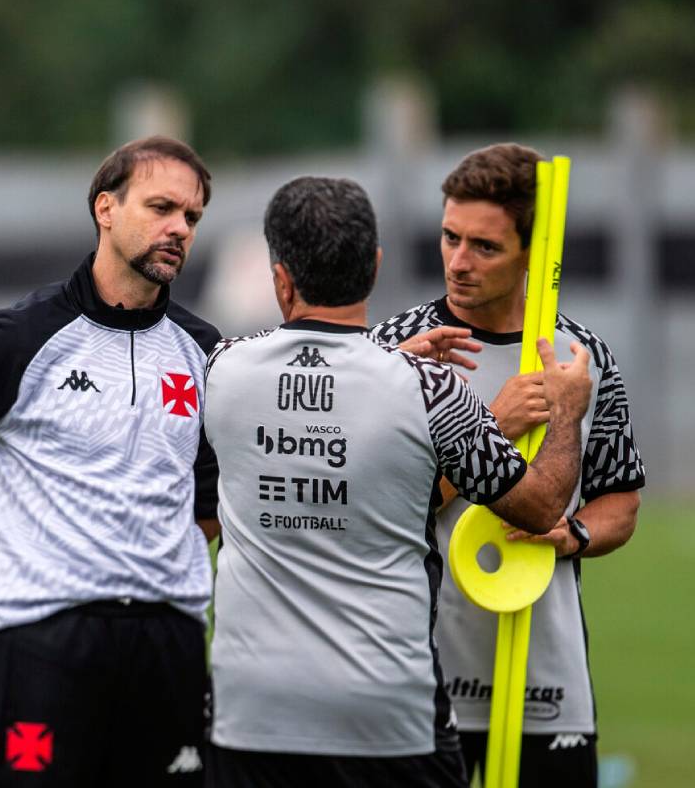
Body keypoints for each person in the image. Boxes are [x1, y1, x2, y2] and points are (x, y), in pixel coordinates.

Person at [202, 176, 596, 787]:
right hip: (388, 714)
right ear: (375, 268)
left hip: (251, 710)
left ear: (280, 278)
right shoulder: (431, 389)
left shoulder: (222, 367)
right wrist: (567, 412)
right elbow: (543, 507)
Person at [0, 136, 222, 787]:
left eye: (191, 217)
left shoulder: (204, 350)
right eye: (162, 206)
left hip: (168, 652)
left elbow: (208, 502)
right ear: (105, 209)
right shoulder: (23, 338)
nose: (179, 228)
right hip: (46, 649)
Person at [372, 143, 647, 787]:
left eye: (484, 247)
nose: (458, 262)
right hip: (415, 671)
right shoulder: (396, 349)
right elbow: (375, 507)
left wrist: (571, 533)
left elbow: (620, 502)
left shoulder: (580, 359)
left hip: (546, 685)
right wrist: (489, 426)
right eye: (449, 237)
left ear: (532, 251)